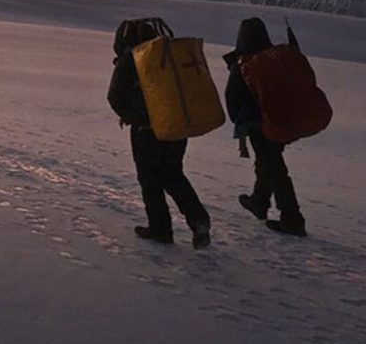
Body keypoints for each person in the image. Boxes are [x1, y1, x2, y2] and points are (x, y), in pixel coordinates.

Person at [107, 19, 211, 249]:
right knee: (173, 174)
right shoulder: (167, 55)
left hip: (146, 131)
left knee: (150, 180)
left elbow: (115, 96)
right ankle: (199, 220)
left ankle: (160, 228)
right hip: (175, 126)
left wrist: (133, 116)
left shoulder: (132, 58)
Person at [224, 17, 307, 237]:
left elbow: (232, 98)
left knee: (275, 168)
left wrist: (242, 122)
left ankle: (292, 218)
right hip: (280, 119)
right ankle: (259, 201)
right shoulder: (276, 59)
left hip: (258, 124)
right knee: (269, 162)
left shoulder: (246, 64)